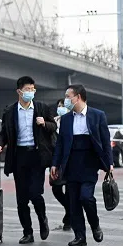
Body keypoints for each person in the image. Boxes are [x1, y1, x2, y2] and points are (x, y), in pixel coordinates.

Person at [0, 76, 57, 244]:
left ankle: (43, 220)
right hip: (19, 156)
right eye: (27, 90)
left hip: (37, 156)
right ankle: (27, 232)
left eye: (32, 90)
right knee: (21, 198)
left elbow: (54, 127)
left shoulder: (42, 108)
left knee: (35, 194)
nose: (30, 92)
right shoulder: (10, 111)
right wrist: (0, 145)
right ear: (19, 91)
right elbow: (4, 133)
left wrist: (44, 123)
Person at [50, 85, 113, 246]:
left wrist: (109, 163)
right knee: (74, 202)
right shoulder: (65, 119)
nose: (65, 100)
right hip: (71, 163)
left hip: (89, 163)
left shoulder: (98, 115)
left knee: (86, 197)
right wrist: (55, 164)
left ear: (78, 97)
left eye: (68, 96)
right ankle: (80, 236)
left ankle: (95, 225)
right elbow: (60, 144)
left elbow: (105, 141)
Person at [51, 98, 71, 230]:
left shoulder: (72, 119)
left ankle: (69, 219)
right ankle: (70, 210)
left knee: (70, 191)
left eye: (63, 105)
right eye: (59, 105)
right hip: (55, 161)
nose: (60, 107)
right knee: (56, 189)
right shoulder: (54, 121)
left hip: (69, 160)